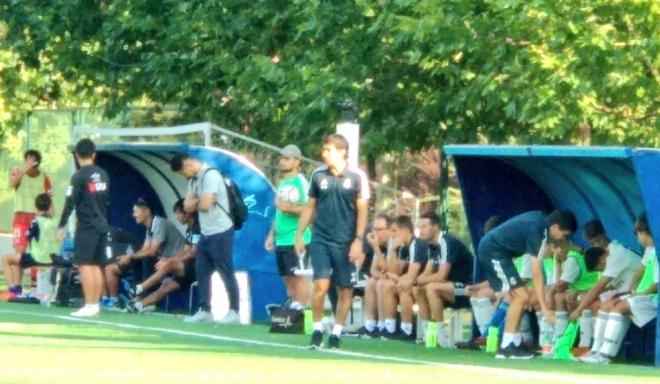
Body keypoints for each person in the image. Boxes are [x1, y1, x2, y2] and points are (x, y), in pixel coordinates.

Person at [295, 134, 369, 350]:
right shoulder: (318, 175)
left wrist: (358, 240)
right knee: (321, 284)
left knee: (345, 289)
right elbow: (309, 207)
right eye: (324, 149)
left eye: (328, 150)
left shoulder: (357, 177)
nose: (323, 153)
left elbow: (363, 210)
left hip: (346, 242)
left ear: (342, 152)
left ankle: (336, 333)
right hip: (321, 239)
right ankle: (317, 330)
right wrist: (299, 235)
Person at [478, 209, 577, 359]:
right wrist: (545, 309)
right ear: (555, 227)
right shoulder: (538, 231)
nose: (564, 240)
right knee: (522, 297)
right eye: (565, 235)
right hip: (493, 251)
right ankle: (507, 346)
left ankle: (514, 342)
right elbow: (537, 273)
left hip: (499, 252)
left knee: (520, 298)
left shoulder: (540, 223)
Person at [171, 153, 240, 324]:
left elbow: (205, 204)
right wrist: (197, 202)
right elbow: (186, 205)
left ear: (188, 164)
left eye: (182, 171)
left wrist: (197, 202)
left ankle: (234, 311)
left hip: (221, 230)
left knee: (225, 271)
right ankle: (205, 309)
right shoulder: (193, 181)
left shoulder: (211, 175)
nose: (183, 175)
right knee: (201, 270)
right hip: (206, 232)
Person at [580, 213, 658, 364]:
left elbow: (657, 284)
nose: (637, 239)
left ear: (645, 231)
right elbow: (639, 270)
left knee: (611, 307)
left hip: (652, 297)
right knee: (605, 304)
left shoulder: (619, 253)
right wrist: (632, 288)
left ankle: (605, 355)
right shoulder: (649, 250)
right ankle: (595, 350)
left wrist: (639, 293)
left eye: (638, 234)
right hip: (638, 295)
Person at [568, 219, 640, 352]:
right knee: (583, 300)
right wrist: (580, 293)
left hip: (637, 293)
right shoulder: (604, 255)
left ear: (604, 234)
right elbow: (606, 287)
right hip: (622, 292)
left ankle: (594, 350)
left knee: (593, 306)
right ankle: (588, 349)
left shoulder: (616, 254)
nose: (596, 245)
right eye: (592, 243)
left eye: (598, 241)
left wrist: (578, 310)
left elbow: (599, 288)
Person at [57, 138, 110, 317]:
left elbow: (70, 201)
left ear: (77, 155)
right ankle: (95, 304)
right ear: (94, 154)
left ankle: (89, 304)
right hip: (102, 224)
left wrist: (62, 225)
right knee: (96, 265)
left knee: (85, 265)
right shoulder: (103, 174)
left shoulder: (78, 176)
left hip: (87, 226)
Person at [104, 198, 187, 309]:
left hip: (176, 262)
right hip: (164, 260)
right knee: (137, 259)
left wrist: (130, 256)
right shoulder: (150, 227)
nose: (134, 215)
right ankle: (133, 295)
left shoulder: (159, 223)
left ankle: (141, 296)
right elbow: (144, 250)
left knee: (147, 259)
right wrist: (129, 257)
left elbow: (152, 252)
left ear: (146, 211)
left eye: (136, 211)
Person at [127, 199, 200, 313]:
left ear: (187, 213)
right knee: (165, 287)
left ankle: (139, 288)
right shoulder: (188, 229)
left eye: (178, 213)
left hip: (197, 267)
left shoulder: (197, 227)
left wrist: (170, 260)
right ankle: (138, 306)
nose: (177, 217)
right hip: (184, 267)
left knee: (167, 265)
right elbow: (186, 250)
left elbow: (193, 253)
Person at [414, 212, 474, 347]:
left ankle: (441, 336)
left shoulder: (446, 242)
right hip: (449, 289)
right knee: (417, 289)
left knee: (431, 287)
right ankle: (427, 332)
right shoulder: (432, 247)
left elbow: (441, 276)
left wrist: (417, 280)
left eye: (424, 226)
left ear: (435, 227)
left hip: (467, 288)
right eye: (419, 227)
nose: (420, 230)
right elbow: (426, 274)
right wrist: (416, 282)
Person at [265, 144, 311, 310]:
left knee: (298, 275)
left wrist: (288, 208)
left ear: (297, 161)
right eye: (282, 158)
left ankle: (303, 309)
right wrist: (272, 234)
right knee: (287, 276)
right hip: (282, 238)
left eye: (287, 158)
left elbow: (309, 209)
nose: (282, 162)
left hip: (297, 238)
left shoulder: (302, 182)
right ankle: (293, 306)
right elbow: (279, 212)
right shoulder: (283, 182)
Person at [379, 215, 429, 341]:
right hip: (412, 281)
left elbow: (412, 275)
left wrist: (396, 278)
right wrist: (394, 250)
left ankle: (407, 330)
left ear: (406, 231)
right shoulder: (403, 247)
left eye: (395, 231)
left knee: (403, 288)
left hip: (422, 282)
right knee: (388, 285)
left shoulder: (417, 244)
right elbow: (394, 271)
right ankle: (390, 329)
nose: (392, 234)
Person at [2, 193, 59, 298]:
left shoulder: (36, 221)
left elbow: (28, 237)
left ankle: (13, 288)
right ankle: (18, 287)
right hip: (52, 257)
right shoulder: (54, 221)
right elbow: (52, 214)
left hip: (39, 257)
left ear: (36, 206)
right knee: (19, 259)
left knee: (6, 259)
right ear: (50, 206)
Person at [10, 149, 52, 255]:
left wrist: (51, 219)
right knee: (19, 253)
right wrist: (25, 169)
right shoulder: (18, 172)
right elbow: (12, 184)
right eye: (27, 161)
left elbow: (49, 199)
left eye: (33, 162)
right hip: (20, 218)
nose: (30, 166)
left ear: (37, 163)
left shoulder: (44, 177)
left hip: (37, 219)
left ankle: (35, 272)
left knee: (37, 253)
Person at [357, 214, 392, 338]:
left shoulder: (393, 244)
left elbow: (388, 268)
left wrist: (376, 247)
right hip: (388, 279)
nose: (375, 233)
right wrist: (383, 275)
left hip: (401, 281)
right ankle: (371, 325)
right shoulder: (379, 245)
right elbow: (373, 270)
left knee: (380, 283)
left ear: (389, 230)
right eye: (374, 229)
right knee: (372, 282)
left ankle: (384, 326)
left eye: (379, 230)